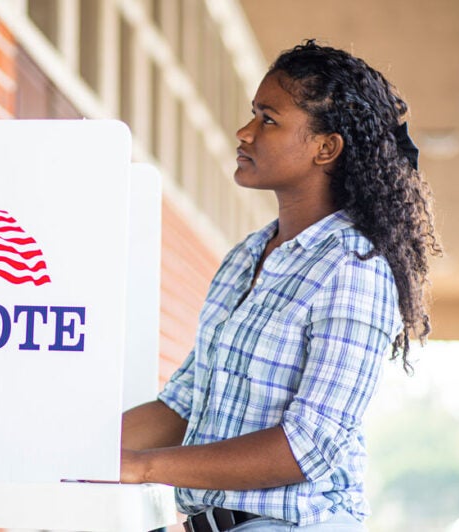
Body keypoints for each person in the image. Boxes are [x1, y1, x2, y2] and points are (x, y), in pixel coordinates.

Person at [119, 40, 442, 531]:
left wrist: (143, 467)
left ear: (326, 148)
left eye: (268, 119)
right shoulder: (246, 256)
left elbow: (307, 445)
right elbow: (184, 403)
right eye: (252, 114)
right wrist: (78, 446)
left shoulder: (354, 268)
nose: (244, 132)